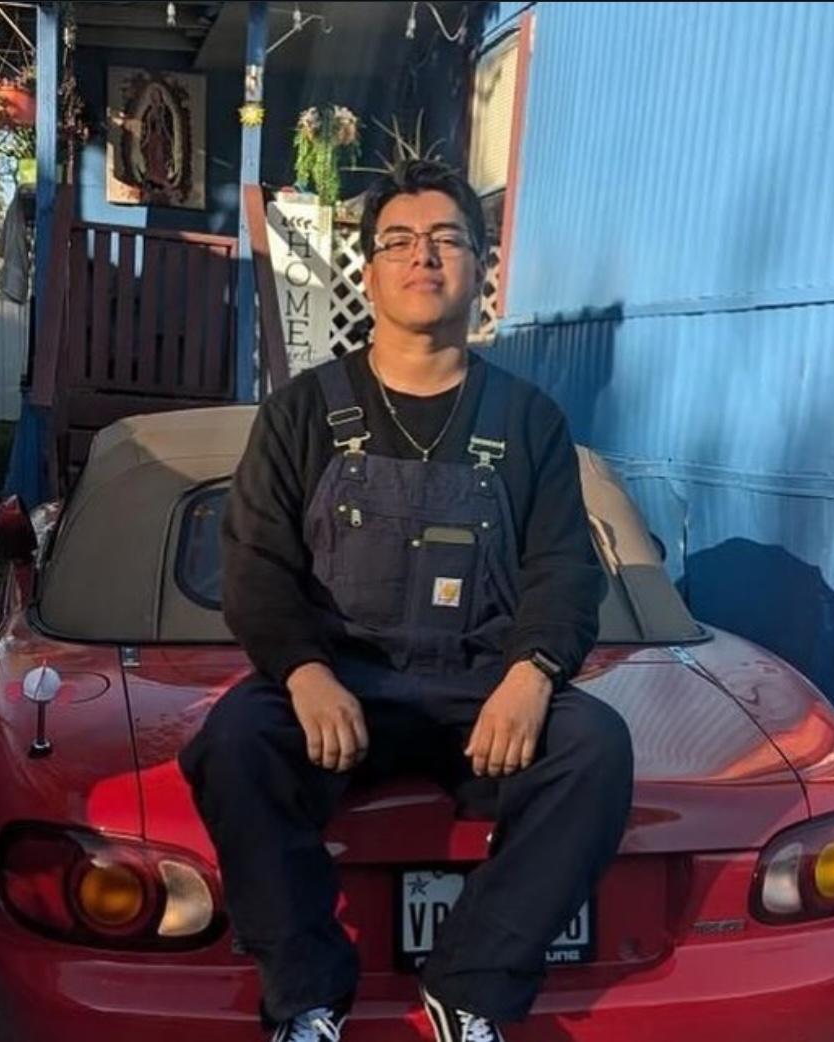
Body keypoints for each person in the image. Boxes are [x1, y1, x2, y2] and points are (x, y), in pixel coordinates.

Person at [178, 159, 634, 1042]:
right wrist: (304, 673)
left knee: (595, 746)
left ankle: (470, 988)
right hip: (340, 692)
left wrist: (532, 676)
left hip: (481, 696)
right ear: (371, 269)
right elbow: (256, 565)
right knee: (234, 742)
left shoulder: (531, 420)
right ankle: (307, 995)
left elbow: (564, 570)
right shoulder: (301, 412)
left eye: (446, 239)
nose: (423, 256)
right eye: (399, 241)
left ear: (479, 266)